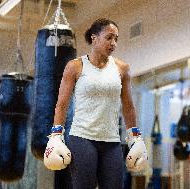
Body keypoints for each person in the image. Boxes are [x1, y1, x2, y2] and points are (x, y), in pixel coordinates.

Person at [43, 18, 148, 189]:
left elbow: (128, 106)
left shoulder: (122, 69)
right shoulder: (75, 66)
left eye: (116, 39)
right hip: (82, 138)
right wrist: (56, 136)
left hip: (112, 141)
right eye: (109, 37)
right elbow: (62, 104)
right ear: (94, 38)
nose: (113, 43)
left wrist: (135, 138)